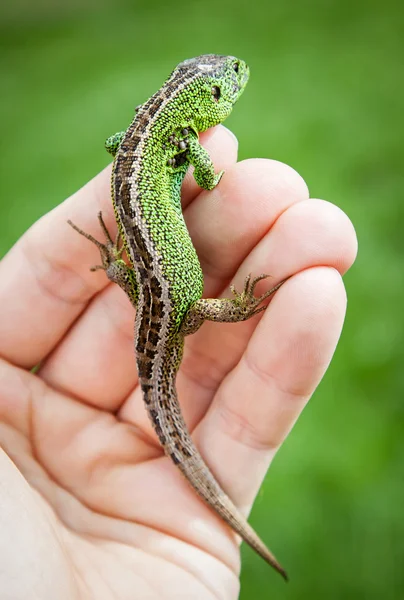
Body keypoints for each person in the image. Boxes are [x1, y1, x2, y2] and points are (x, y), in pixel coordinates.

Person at [0, 125, 357, 599]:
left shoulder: (149, 142)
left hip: (164, 304)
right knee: (180, 341)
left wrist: (114, 266)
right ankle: (229, 309)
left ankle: (139, 278)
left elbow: (119, 144)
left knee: (170, 354)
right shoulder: (168, 144)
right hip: (173, 311)